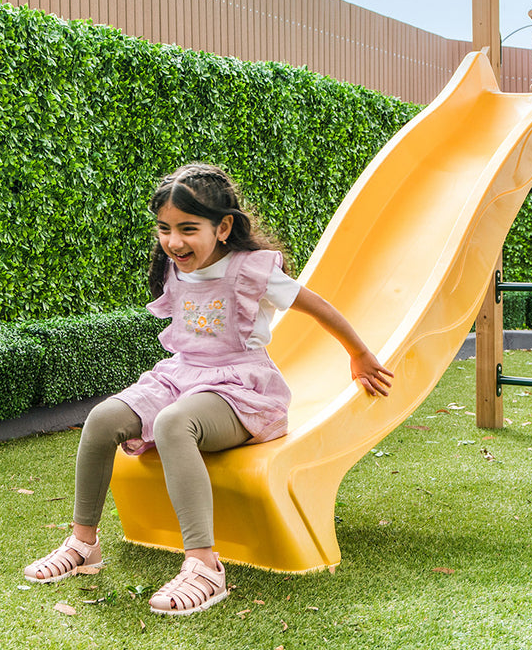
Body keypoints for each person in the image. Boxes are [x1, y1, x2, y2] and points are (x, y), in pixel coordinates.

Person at [24, 162, 393, 613]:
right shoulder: (175, 268)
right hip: (182, 375)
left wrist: (358, 353)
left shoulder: (251, 271)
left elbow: (316, 306)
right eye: (164, 229)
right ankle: (83, 545)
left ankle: (204, 566)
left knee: (176, 423)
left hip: (241, 387)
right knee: (103, 419)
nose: (173, 241)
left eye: (187, 228)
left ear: (224, 227)